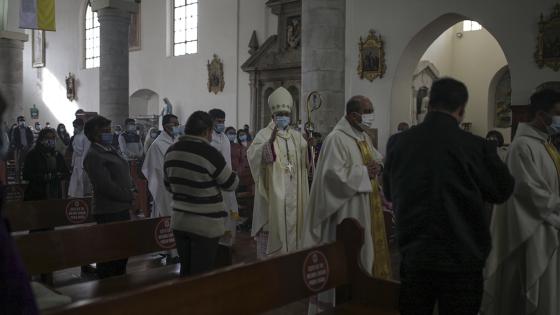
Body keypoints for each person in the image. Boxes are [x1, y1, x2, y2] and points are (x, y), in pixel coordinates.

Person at [383, 78, 514, 315]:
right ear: (462, 109)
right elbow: (502, 190)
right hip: (462, 258)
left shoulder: (398, 143)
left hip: (415, 255)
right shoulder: (477, 146)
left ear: (429, 104)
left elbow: (390, 193)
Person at [304, 96, 390, 313]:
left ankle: (361, 300)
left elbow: (376, 158)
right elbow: (331, 177)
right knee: (349, 259)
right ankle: (340, 307)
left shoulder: (362, 136)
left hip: (364, 207)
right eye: (367, 111)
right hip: (345, 211)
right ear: (353, 115)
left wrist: (377, 166)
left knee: (364, 256)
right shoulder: (336, 139)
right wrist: (364, 173)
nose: (370, 115)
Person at [482, 89, 560, 315]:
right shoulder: (522, 146)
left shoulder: (547, 145)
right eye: (557, 113)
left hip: (549, 227)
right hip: (532, 232)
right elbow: (529, 193)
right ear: (540, 115)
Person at [164, 111, 238, 276]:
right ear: (206, 131)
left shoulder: (171, 150)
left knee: (186, 271)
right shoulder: (209, 153)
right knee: (201, 275)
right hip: (204, 225)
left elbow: (168, 185)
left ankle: (183, 301)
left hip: (180, 222)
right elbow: (231, 183)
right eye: (211, 131)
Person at [247, 86, 310, 258]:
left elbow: (306, 164)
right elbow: (253, 156)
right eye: (279, 114)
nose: (283, 117)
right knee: (274, 229)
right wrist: (268, 145)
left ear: (290, 116)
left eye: (286, 114)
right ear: (272, 116)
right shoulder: (263, 135)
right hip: (273, 197)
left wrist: (310, 147)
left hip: (295, 195)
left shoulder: (297, 137)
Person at [83, 116, 135, 279]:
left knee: (122, 251)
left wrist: (131, 190)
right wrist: (129, 195)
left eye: (109, 130)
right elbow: (105, 186)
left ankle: (119, 284)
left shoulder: (109, 149)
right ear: (93, 134)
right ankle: (107, 289)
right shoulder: (94, 155)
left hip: (120, 207)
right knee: (110, 254)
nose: (109, 133)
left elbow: (122, 172)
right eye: (104, 130)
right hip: (108, 209)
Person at [209, 109, 239, 247]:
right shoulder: (208, 138)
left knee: (230, 213)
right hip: (213, 185)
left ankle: (228, 245)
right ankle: (216, 246)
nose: (221, 124)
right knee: (217, 216)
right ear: (211, 121)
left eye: (223, 121)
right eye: (218, 121)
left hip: (227, 182)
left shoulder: (225, 138)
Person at [142, 114, 180, 219]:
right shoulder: (157, 144)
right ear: (165, 126)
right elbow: (155, 169)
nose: (177, 126)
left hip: (179, 184)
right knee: (165, 213)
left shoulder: (178, 141)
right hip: (164, 186)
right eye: (175, 124)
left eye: (178, 124)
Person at [22, 128, 69, 201]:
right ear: (41, 140)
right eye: (48, 138)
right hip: (37, 193)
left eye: (53, 138)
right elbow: (26, 175)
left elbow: (66, 172)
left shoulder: (58, 155)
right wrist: (44, 177)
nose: (51, 140)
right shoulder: (32, 155)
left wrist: (59, 175)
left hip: (55, 193)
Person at [68, 118, 91, 198]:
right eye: (74, 126)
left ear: (81, 126)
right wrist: (72, 162)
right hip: (77, 159)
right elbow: (74, 150)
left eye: (76, 126)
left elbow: (86, 150)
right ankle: (74, 194)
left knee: (82, 178)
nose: (75, 128)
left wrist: (82, 163)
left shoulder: (85, 136)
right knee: (75, 178)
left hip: (83, 159)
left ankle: (83, 195)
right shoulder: (76, 136)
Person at [10, 116, 34, 181]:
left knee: (29, 164)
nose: (22, 122)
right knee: (18, 166)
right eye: (21, 121)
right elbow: (14, 140)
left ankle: (28, 179)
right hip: (19, 149)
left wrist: (29, 146)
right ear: (18, 122)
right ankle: (17, 180)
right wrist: (21, 146)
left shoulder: (28, 129)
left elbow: (32, 139)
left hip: (27, 149)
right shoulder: (15, 130)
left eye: (23, 120)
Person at [231, 129, 253, 193]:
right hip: (241, 174)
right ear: (238, 137)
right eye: (240, 135)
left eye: (243, 134)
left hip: (250, 172)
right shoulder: (236, 147)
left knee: (250, 192)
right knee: (241, 192)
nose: (242, 136)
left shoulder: (251, 144)